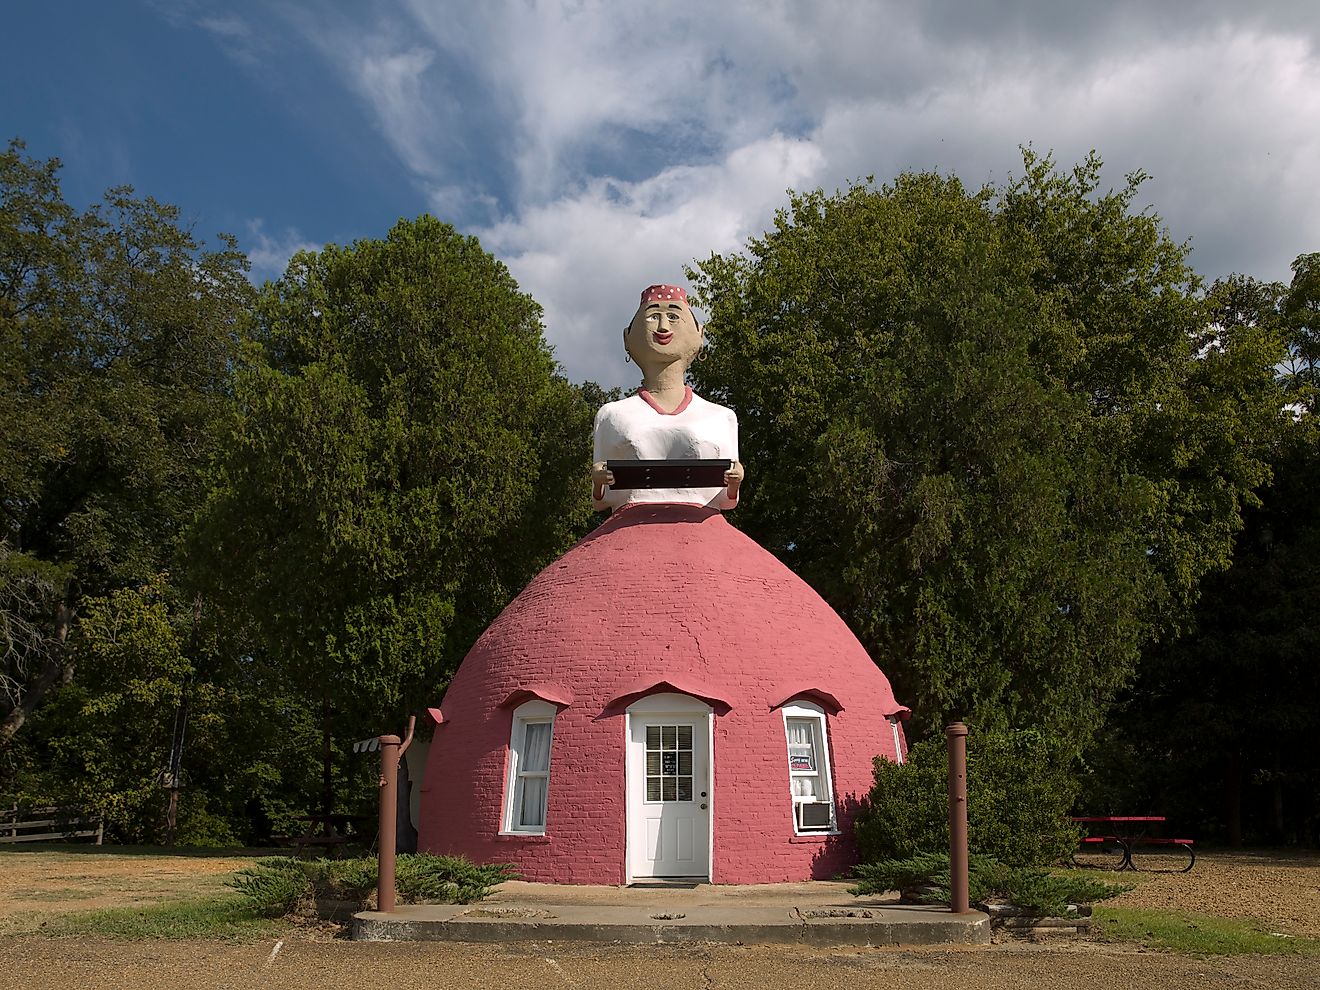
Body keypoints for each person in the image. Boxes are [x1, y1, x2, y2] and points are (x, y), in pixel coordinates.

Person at [592, 284, 744, 512]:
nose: (663, 327)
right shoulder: (611, 415)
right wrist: (598, 479)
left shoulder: (722, 417)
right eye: (653, 317)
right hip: (629, 531)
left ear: (699, 335)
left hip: (704, 535)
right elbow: (600, 501)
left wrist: (735, 479)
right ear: (627, 338)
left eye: (673, 316)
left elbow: (728, 500)